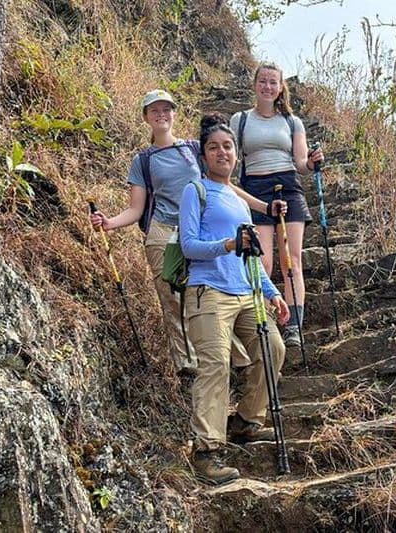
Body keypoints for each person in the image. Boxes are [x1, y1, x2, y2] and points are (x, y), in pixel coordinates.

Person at [90, 90, 283, 384]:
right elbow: (135, 208)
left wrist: (263, 207)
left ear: (174, 113)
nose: (161, 115)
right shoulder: (142, 161)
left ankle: (239, 360)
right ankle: (187, 366)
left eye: (166, 109)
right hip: (163, 232)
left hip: (201, 229)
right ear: (145, 117)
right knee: (172, 299)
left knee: (204, 296)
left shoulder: (195, 149)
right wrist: (109, 223)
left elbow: (225, 186)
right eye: (154, 110)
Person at [179, 113, 289, 485]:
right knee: (214, 365)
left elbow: (252, 257)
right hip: (208, 291)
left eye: (227, 146)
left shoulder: (239, 201)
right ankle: (207, 450)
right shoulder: (195, 191)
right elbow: (188, 246)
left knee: (273, 347)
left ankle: (244, 421)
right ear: (204, 156)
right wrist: (226, 244)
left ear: (236, 154)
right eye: (214, 147)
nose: (222, 152)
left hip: (246, 292)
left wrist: (273, 293)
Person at [230, 62, 324, 348]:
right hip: (255, 189)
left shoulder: (292, 121)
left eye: (274, 82)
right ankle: (266, 319)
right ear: (255, 84)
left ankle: (294, 324)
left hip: (288, 188)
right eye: (264, 81)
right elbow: (233, 160)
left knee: (291, 260)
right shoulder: (240, 120)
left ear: (281, 86)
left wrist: (311, 162)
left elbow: (300, 164)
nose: (268, 87)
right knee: (263, 261)